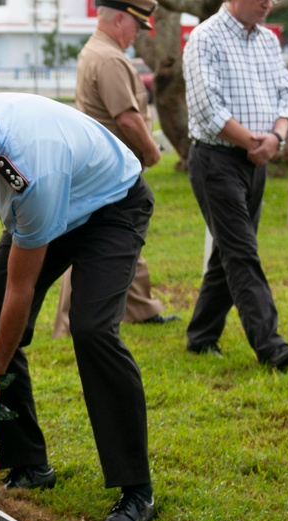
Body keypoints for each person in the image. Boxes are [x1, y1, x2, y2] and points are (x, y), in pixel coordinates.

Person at [0, 93, 157, 521]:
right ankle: (29, 463)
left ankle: (138, 491)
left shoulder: (31, 172)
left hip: (110, 207)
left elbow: (20, 291)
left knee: (92, 330)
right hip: (45, 212)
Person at [183, 0, 288, 369]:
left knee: (229, 251)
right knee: (241, 251)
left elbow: (286, 96)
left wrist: (275, 138)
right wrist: (252, 141)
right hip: (216, 160)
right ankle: (270, 345)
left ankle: (201, 337)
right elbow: (207, 107)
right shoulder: (205, 38)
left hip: (259, 158)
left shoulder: (268, 40)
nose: (268, 2)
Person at [52, 0, 177, 339]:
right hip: (109, 167)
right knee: (92, 240)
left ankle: (141, 308)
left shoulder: (97, 51)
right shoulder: (108, 58)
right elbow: (126, 116)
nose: (137, 34)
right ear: (120, 19)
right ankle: (67, 323)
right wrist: (152, 151)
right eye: (137, 26)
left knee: (124, 235)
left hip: (103, 165)